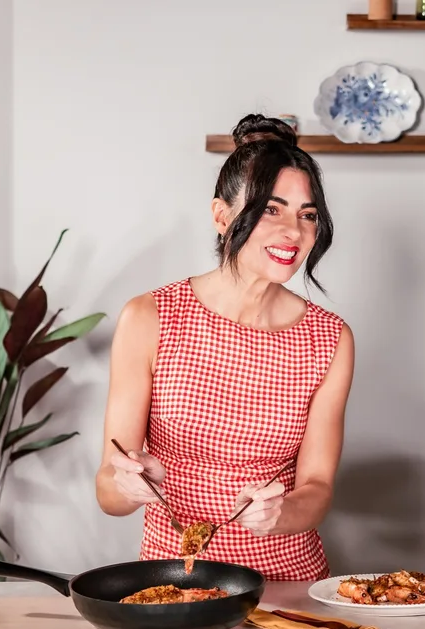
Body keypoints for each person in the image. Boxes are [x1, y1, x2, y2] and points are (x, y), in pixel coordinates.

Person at [95, 114, 355, 581]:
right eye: (271, 210)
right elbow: (108, 493)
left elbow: (317, 489)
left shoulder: (329, 338)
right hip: (175, 582)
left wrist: (281, 512)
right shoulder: (150, 317)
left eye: (308, 215)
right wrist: (130, 484)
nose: (293, 232)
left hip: (287, 587)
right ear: (221, 216)